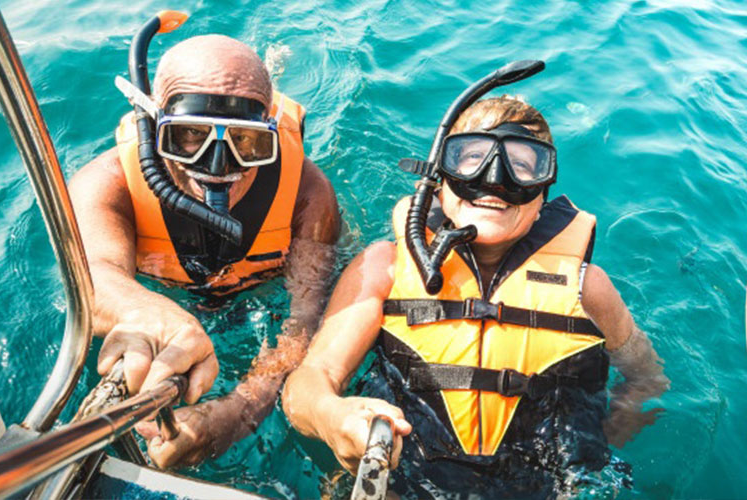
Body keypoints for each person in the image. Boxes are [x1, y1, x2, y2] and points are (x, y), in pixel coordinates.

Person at [282, 62, 668, 495]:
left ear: (542, 196)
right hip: (407, 481)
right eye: (470, 159)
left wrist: (596, 449)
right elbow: (306, 384)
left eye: (523, 166)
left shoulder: (587, 287)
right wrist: (333, 417)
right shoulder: (383, 268)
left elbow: (647, 378)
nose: (493, 180)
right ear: (439, 181)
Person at [69, 12, 339, 469]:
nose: (217, 164)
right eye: (189, 136)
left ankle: (273, 63)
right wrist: (143, 311)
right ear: (153, 126)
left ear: (270, 134)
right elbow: (91, 275)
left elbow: (305, 319)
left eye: (246, 142)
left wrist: (241, 411)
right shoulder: (107, 184)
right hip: (171, 296)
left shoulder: (307, 195)